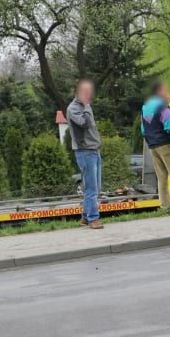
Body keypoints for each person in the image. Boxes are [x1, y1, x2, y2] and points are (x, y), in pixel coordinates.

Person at [141, 82, 170, 209]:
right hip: (166, 144)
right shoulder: (161, 107)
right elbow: (169, 125)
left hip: (153, 147)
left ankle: (164, 206)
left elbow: (143, 130)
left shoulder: (145, 107)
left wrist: (151, 141)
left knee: (162, 177)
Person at [67, 79, 104, 229]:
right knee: (91, 188)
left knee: (95, 187)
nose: (89, 95)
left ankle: (85, 216)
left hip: (94, 150)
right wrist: (87, 106)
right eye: (85, 93)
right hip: (85, 152)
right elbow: (85, 124)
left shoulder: (84, 106)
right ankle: (93, 219)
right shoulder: (73, 109)